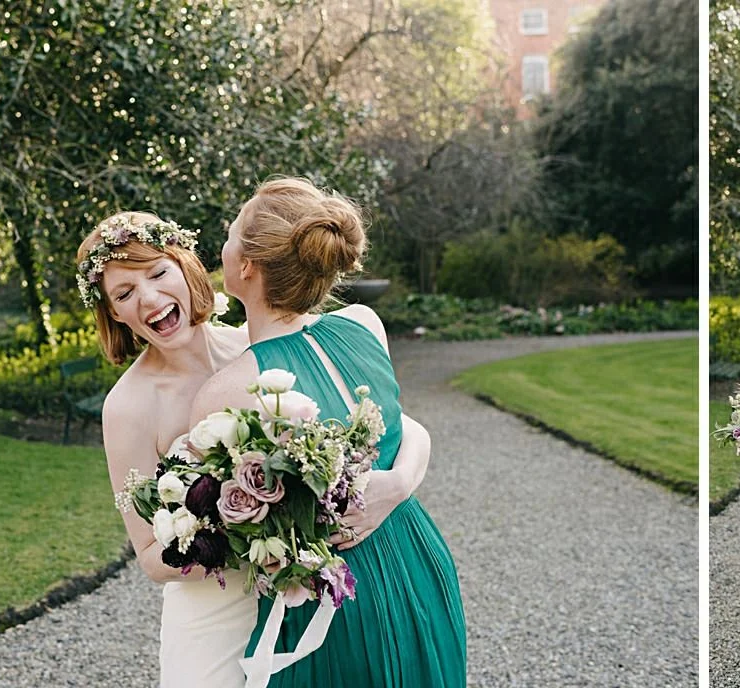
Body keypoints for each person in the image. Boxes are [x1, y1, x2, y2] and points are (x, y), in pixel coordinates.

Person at [78, 210, 436, 687]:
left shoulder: (260, 343)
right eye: (124, 294)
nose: (149, 298)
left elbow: (395, 425)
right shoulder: (128, 406)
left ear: (186, 269)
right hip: (216, 615)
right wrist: (267, 542)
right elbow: (148, 553)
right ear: (113, 313)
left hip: (304, 604)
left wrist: (399, 484)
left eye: (159, 273)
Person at [189, 178, 467, 687]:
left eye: (229, 233)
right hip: (420, 562)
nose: (223, 245)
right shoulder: (364, 323)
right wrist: (400, 483)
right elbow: (402, 430)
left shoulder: (226, 389)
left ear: (247, 265)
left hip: (332, 597)